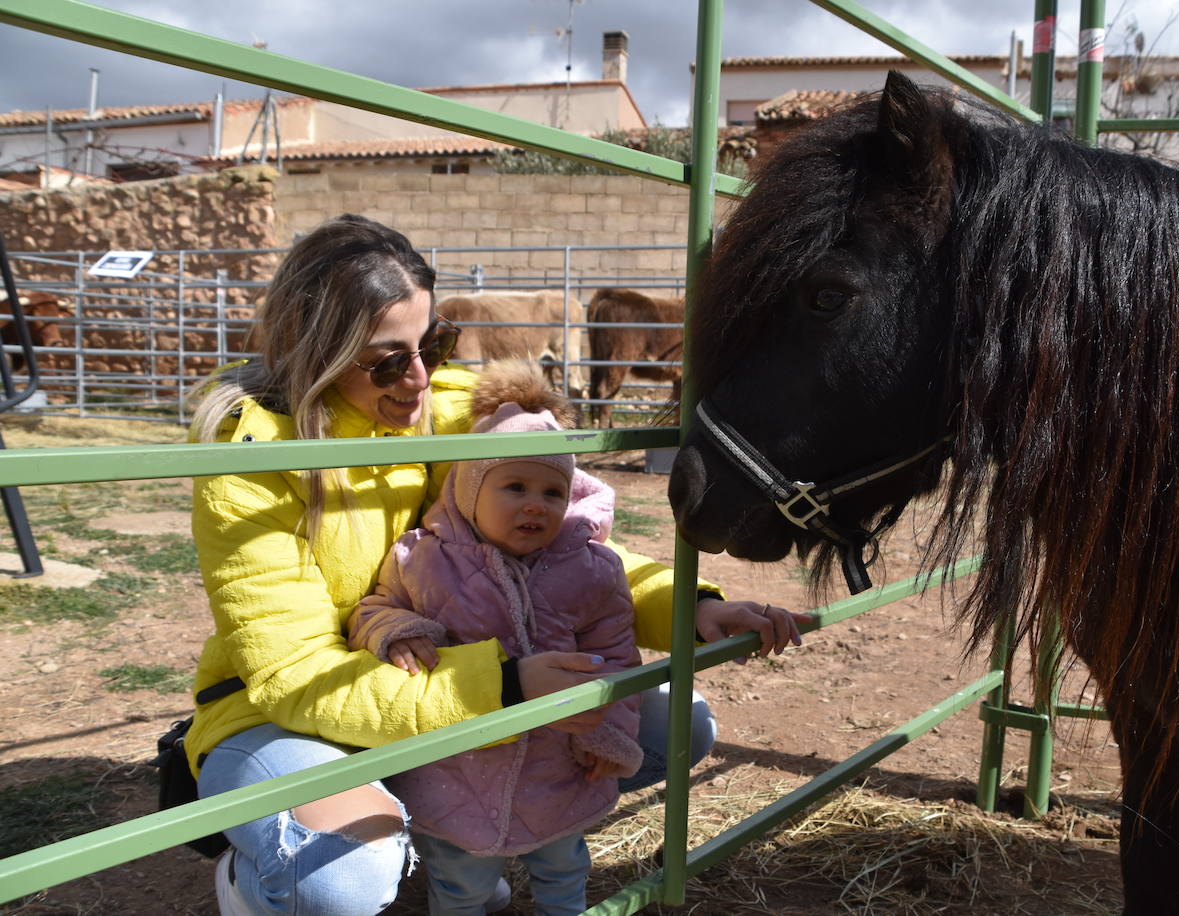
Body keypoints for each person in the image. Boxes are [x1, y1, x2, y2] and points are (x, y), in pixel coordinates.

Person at [185, 213, 806, 916]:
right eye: (388, 360)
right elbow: (295, 676)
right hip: (290, 715)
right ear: (316, 350)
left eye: (435, 342)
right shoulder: (253, 457)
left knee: (672, 727)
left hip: (448, 684)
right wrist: (501, 690)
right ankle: (260, 881)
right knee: (339, 880)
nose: (420, 376)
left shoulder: (454, 413)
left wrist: (691, 608)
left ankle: (446, 829)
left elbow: (565, 551)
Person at [348, 360, 640, 915]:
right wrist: (398, 631)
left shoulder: (593, 569)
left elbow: (621, 655)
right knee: (460, 883)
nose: (536, 504)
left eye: (553, 492)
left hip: (559, 763)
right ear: (468, 489)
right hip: (457, 769)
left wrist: (608, 733)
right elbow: (374, 608)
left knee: (565, 869)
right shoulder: (422, 558)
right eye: (514, 486)